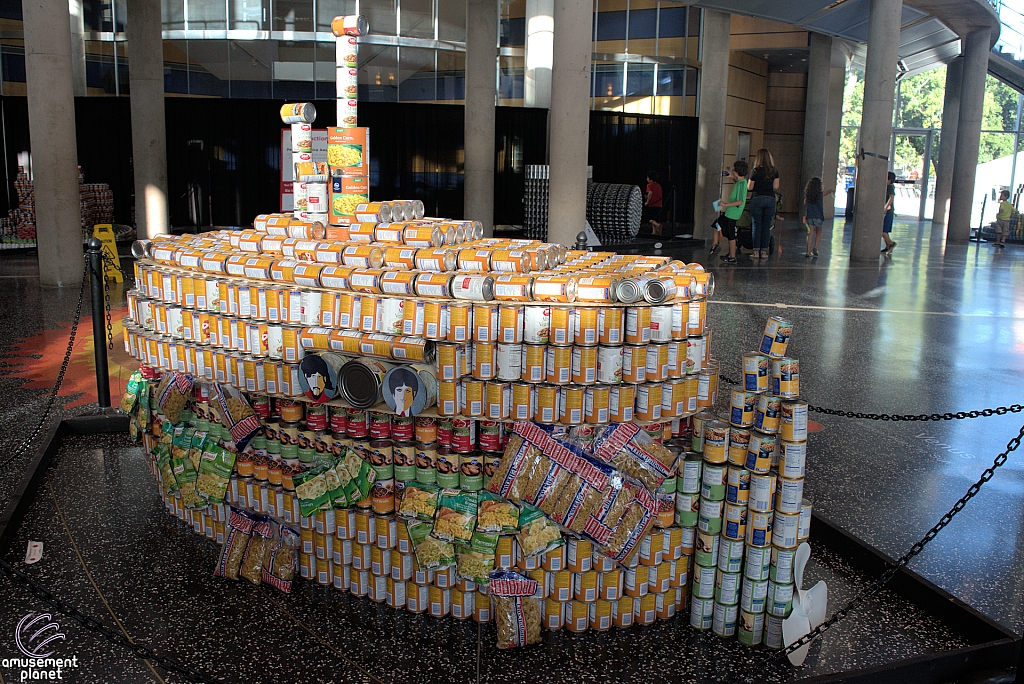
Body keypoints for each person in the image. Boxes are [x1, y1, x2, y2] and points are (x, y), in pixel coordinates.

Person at [747, 149, 780, 260]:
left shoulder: (755, 171)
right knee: (766, 226)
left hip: (757, 198)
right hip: (770, 199)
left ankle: (756, 251)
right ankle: (764, 252)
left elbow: (749, 187)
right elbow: (776, 187)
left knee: (756, 225)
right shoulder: (774, 171)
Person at [714, 160, 749, 264]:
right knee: (716, 225)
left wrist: (725, 204)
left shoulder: (743, 184)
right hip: (729, 212)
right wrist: (732, 176)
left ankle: (732, 256)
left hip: (732, 214)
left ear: (737, 171)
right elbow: (738, 182)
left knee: (731, 235)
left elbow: (740, 201)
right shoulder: (741, 182)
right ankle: (715, 245)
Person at [801, 177, 833, 257]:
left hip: (810, 216)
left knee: (810, 233)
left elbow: (805, 203)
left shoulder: (808, 195)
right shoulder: (820, 194)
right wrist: (831, 190)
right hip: (818, 216)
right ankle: (815, 247)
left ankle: (808, 251)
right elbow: (826, 193)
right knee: (819, 232)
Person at [881, 171, 896, 255]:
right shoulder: (887, 187)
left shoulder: (890, 187)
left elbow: (891, 197)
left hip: (888, 212)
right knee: (885, 230)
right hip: (887, 211)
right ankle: (887, 247)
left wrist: (886, 207)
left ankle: (891, 243)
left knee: (882, 231)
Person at [645, 171, 664, 236]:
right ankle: (654, 231)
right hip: (659, 205)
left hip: (652, 204)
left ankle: (658, 225)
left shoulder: (649, 185)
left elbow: (650, 193)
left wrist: (647, 201)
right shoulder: (658, 185)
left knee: (650, 219)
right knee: (655, 218)